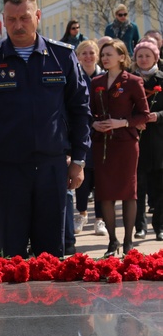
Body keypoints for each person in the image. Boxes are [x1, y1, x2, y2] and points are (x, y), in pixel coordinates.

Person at [0, 0, 91, 258]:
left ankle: (54, 301)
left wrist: (79, 160)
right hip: (7, 170)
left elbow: (81, 112)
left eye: (24, 18)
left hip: (52, 167)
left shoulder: (62, 57)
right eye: (11, 19)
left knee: (51, 254)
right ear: (2, 21)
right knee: (12, 253)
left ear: (37, 16)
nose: (18, 25)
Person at [90, 39, 149, 256]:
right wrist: (93, 123)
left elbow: (144, 114)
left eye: (109, 54)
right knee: (105, 193)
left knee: (128, 193)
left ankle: (128, 242)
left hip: (125, 142)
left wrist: (122, 122)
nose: (104, 58)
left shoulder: (133, 81)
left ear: (122, 57)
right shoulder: (96, 81)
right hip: (102, 143)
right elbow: (87, 112)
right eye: (103, 54)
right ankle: (112, 241)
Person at [133, 40, 163, 241]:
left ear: (156, 58)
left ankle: (159, 226)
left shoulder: (162, 78)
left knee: (160, 187)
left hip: (159, 141)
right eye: (140, 56)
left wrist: (158, 116)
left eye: (148, 56)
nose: (144, 60)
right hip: (136, 141)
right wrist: (135, 120)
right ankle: (140, 225)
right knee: (138, 186)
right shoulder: (129, 80)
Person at [73, 40, 104, 237]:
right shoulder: (75, 76)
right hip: (83, 133)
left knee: (101, 180)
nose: (88, 56)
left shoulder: (104, 77)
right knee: (82, 178)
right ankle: (81, 213)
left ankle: (99, 219)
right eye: (84, 53)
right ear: (77, 56)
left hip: (103, 135)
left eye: (91, 53)